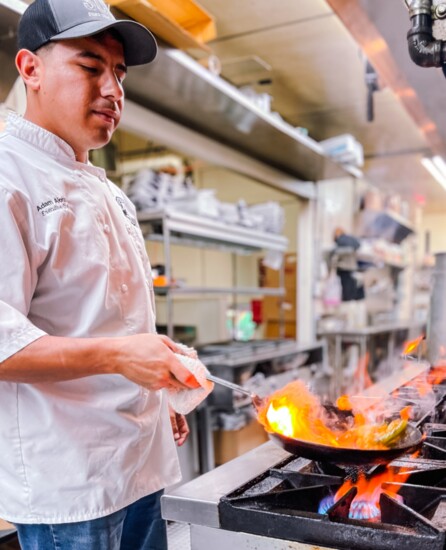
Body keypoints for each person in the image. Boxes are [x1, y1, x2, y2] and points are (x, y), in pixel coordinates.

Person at [0, 0, 202, 548]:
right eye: (90, 67)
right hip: (72, 484)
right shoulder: (8, 176)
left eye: (118, 73)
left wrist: (155, 384)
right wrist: (122, 358)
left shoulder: (108, 191)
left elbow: (107, 321)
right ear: (30, 69)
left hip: (141, 464)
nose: (113, 90)